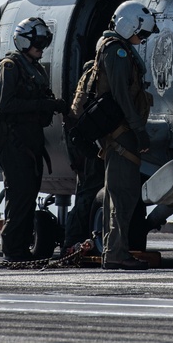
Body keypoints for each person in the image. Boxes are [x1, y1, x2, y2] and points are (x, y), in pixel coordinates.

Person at [0, 17, 67, 262]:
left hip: (30, 141)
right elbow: (6, 105)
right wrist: (43, 104)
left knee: (27, 196)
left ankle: (21, 249)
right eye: (38, 42)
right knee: (19, 198)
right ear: (25, 41)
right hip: (15, 143)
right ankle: (13, 251)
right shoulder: (11, 67)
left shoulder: (33, 67)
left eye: (44, 42)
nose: (42, 47)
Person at [93, 0, 157, 271]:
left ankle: (114, 250)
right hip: (122, 133)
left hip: (120, 131)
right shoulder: (116, 52)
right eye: (140, 34)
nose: (142, 40)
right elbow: (122, 96)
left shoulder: (116, 49)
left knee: (119, 194)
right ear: (127, 25)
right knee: (123, 194)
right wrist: (139, 130)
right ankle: (116, 252)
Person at [63, 59, 105, 253]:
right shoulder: (94, 76)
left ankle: (77, 240)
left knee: (88, 192)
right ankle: (72, 241)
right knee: (87, 193)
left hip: (91, 145)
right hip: (91, 147)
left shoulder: (90, 76)